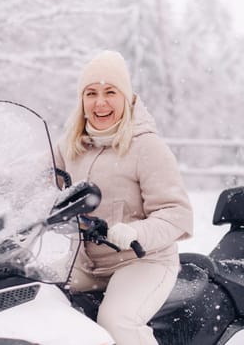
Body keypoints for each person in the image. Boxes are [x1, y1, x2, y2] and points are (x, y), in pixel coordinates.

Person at [54, 50, 193, 344]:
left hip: (142, 262)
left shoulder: (147, 148)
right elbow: (34, 183)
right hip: (84, 264)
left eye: (110, 92)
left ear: (127, 98)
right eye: (91, 93)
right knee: (35, 302)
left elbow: (176, 213)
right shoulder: (69, 146)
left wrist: (134, 232)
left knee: (117, 322)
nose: (100, 102)